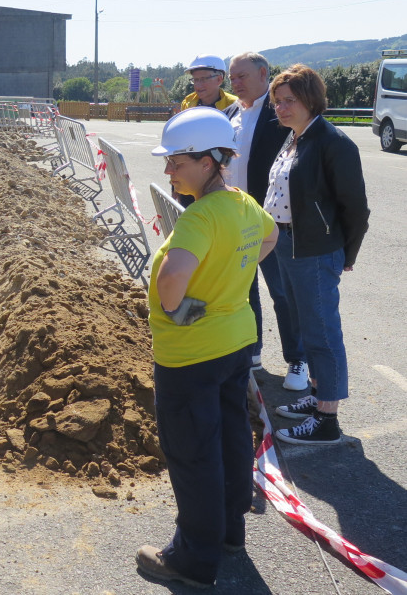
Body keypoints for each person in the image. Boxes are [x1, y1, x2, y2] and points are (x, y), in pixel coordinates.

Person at [135, 108, 277, 588]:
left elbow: (173, 281)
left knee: (193, 451)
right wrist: (228, 281)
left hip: (190, 355)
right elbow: (270, 236)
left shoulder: (199, 216)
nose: (169, 170)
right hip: (234, 342)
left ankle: (194, 558)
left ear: (212, 160)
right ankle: (229, 532)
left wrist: (179, 306)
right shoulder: (241, 203)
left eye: (177, 161)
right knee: (232, 436)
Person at [266, 66, 370, 445]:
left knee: (323, 333)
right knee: (306, 329)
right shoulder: (295, 138)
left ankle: (327, 419)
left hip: (314, 250)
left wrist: (346, 252)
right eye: (277, 101)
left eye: (288, 100)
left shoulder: (333, 142)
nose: (280, 107)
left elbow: (356, 208)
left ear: (311, 99)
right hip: (287, 246)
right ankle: (316, 397)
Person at [226, 52, 307, 389]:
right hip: (235, 219)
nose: (235, 83)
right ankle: (253, 350)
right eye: (232, 77)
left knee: (283, 293)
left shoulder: (279, 115)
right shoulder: (230, 112)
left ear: (263, 74)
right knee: (245, 291)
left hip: (271, 222)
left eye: (241, 76)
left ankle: (298, 360)